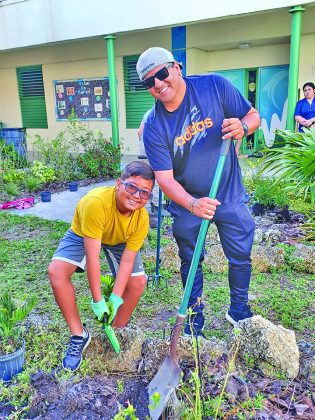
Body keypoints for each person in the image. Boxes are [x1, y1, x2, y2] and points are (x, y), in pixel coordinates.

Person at [136, 47, 260, 336]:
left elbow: (252, 116)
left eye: (162, 74)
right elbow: (165, 180)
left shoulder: (214, 86)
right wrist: (193, 204)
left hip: (227, 191)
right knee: (190, 260)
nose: (157, 84)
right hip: (186, 201)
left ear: (176, 67)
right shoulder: (154, 126)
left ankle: (239, 310)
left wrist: (242, 126)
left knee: (241, 254)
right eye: (148, 83)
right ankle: (194, 317)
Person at [48, 161, 155, 371]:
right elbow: (93, 256)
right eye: (131, 187)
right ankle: (79, 335)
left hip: (120, 239)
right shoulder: (96, 203)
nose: (136, 195)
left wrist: (114, 299)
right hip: (85, 232)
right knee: (56, 271)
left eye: (144, 192)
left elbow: (127, 260)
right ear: (118, 183)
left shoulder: (141, 219)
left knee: (138, 282)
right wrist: (98, 301)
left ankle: (115, 329)